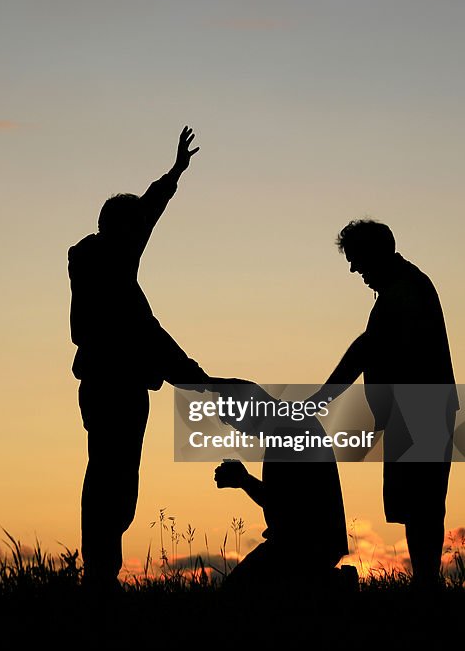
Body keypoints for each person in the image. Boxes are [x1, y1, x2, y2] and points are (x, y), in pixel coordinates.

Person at [69, 126, 211, 591]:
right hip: (113, 382)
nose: (142, 235)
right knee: (111, 477)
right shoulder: (102, 266)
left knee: (117, 475)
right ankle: (100, 575)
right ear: (116, 229)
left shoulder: (108, 255)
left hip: (121, 381)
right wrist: (188, 374)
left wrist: (173, 173)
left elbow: (147, 210)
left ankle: (101, 571)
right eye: (134, 230)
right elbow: (142, 333)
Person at [309, 220, 458, 589]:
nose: (353, 269)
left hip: (419, 412)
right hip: (418, 411)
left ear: (377, 253)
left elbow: (367, 349)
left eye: (357, 259)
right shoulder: (401, 289)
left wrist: (320, 400)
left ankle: (426, 583)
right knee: (418, 505)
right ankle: (426, 582)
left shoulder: (403, 294)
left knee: (421, 505)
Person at [211, 380, 351, 595]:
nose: (242, 432)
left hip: (303, 546)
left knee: (236, 591)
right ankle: (327, 582)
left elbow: (283, 504)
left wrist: (243, 480)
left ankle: (332, 584)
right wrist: (243, 480)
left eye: (238, 422)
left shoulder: (288, 431)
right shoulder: (290, 424)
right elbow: (284, 499)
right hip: (308, 543)